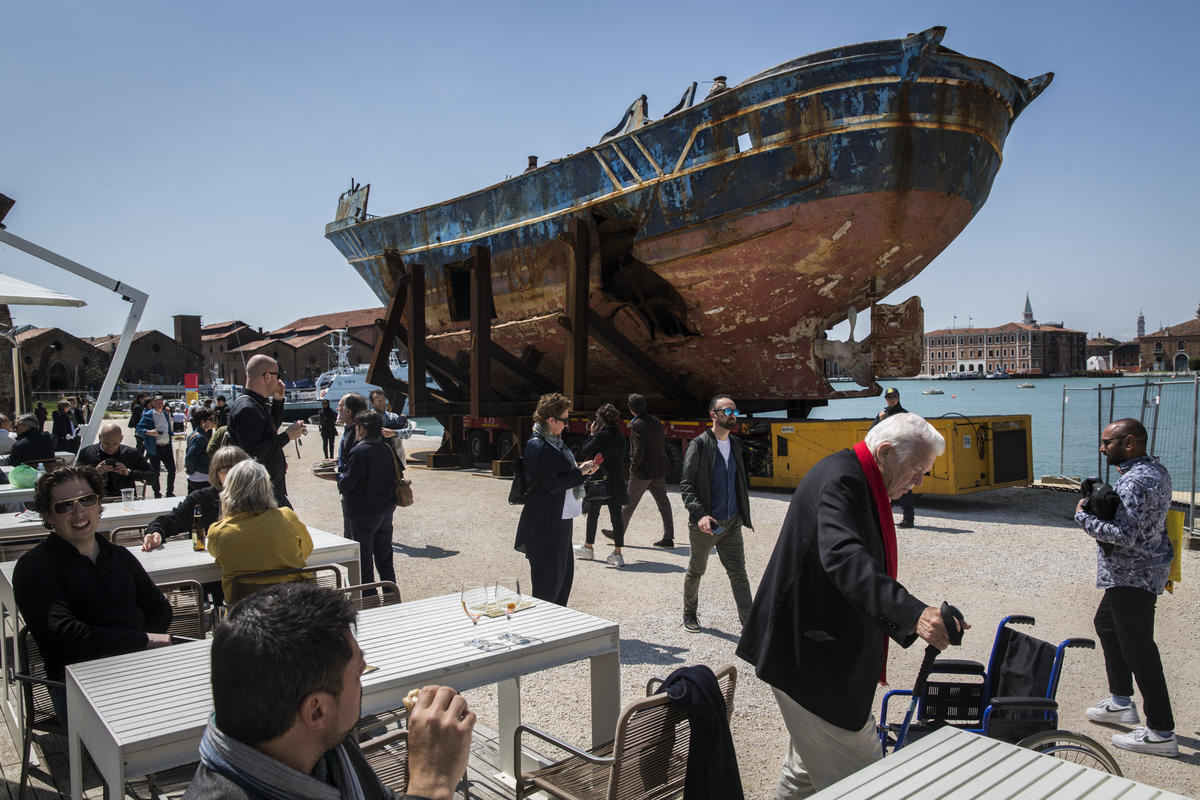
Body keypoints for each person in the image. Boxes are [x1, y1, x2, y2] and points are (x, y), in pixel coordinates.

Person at [737, 413, 957, 797]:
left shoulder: (853, 474)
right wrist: (914, 614)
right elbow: (844, 557)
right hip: (813, 666)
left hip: (814, 656)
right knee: (866, 788)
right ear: (886, 453)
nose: (920, 480)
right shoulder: (843, 480)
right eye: (917, 468)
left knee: (802, 779)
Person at [182, 582, 475, 800]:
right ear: (317, 710)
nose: (363, 676)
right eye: (358, 672)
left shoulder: (326, 747)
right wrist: (430, 786)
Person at [13, 466, 172, 722]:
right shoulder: (34, 567)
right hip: (80, 685)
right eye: (64, 506)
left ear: (98, 505)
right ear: (48, 516)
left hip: (141, 669)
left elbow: (160, 608)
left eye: (87, 500)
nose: (79, 512)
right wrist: (142, 640)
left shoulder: (118, 555)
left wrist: (142, 649)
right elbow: (65, 634)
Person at [1075, 418, 1178, 757]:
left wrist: (1083, 516)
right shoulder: (1155, 471)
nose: (1102, 448)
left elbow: (1125, 536)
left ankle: (1161, 731)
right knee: (1106, 625)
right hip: (1136, 572)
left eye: (1108, 442)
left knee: (1139, 648)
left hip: (1133, 574)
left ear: (1130, 442)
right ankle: (1121, 700)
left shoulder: (1134, 483)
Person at [513, 393, 597, 605]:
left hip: (559, 518)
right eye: (564, 420)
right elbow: (551, 484)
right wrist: (580, 473)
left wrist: (579, 468)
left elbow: (556, 476)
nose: (567, 425)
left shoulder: (554, 442)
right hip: (545, 522)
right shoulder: (538, 445)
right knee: (548, 581)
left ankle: (558, 624)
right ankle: (544, 629)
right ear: (551, 420)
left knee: (563, 577)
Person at [679, 394, 753, 633]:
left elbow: (738, 481)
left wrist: (741, 514)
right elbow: (686, 485)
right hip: (707, 523)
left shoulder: (736, 445)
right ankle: (689, 613)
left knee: (739, 574)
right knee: (696, 570)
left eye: (734, 412)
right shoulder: (699, 445)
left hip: (731, 523)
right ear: (713, 415)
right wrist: (699, 514)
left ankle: (750, 625)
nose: (732, 416)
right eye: (726, 412)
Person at [206, 459, 314, 601]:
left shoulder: (218, 532)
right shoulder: (287, 517)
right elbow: (306, 550)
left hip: (245, 615)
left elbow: (218, 557)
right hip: (295, 607)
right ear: (267, 488)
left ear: (229, 491)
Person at [228, 354, 305, 508]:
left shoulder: (253, 403)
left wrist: (278, 401)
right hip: (261, 494)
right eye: (278, 376)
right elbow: (253, 452)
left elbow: (269, 430)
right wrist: (287, 436)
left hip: (267, 489)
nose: (280, 381)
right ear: (268, 377)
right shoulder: (248, 408)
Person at [142, 445, 251, 551]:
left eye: (237, 469)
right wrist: (156, 533)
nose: (233, 474)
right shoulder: (201, 499)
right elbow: (169, 521)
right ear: (215, 472)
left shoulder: (257, 497)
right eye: (225, 469)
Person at [337, 410, 399, 594]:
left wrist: (339, 477)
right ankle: (391, 596)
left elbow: (347, 484)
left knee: (365, 560)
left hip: (364, 511)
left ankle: (370, 598)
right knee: (384, 556)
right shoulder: (386, 448)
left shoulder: (360, 451)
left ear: (362, 429)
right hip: (385, 508)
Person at [606, 393, 674, 547]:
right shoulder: (656, 422)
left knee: (628, 501)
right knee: (663, 502)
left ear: (630, 409)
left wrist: (633, 468)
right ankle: (668, 536)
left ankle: (618, 533)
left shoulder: (637, 425)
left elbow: (639, 450)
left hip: (643, 471)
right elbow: (663, 445)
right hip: (659, 469)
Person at [574, 402, 629, 567]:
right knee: (616, 517)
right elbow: (623, 457)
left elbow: (585, 450)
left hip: (600, 478)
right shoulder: (620, 437)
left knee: (593, 513)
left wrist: (591, 434)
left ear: (601, 420)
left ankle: (588, 547)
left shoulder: (600, 435)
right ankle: (617, 553)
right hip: (616, 479)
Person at [75, 421, 156, 497]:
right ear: (100, 437)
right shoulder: (87, 453)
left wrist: (129, 472)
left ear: (121, 438)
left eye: (115, 444)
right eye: (106, 443)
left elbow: (152, 477)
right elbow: (75, 482)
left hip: (124, 500)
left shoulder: (131, 453)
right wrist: (95, 474)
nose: (110, 448)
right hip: (96, 502)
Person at [874, 387, 915, 528]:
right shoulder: (881, 414)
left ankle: (908, 519)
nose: (891, 400)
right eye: (888, 397)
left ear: (898, 398)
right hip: (886, 458)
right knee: (885, 489)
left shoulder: (905, 415)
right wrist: (881, 421)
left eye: (894, 397)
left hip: (901, 457)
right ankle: (886, 520)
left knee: (905, 488)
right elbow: (873, 433)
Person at [137, 394, 177, 498]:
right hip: (155, 448)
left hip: (167, 446)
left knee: (172, 470)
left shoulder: (165, 413)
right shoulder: (148, 415)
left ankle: (170, 491)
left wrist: (175, 435)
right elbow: (139, 429)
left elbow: (167, 429)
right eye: (158, 402)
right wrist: (149, 432)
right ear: (152, 403)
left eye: (162, 402)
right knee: (156, 472)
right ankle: (157, 493)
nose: (160, 404)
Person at [185, 407, 217, 492]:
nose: (213, 422)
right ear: (202, 421)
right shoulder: (200, 438)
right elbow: (189, 458)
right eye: (211, 419)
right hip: (200, 479)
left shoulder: (194, 434)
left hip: (198, 477)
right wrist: (192, 472)